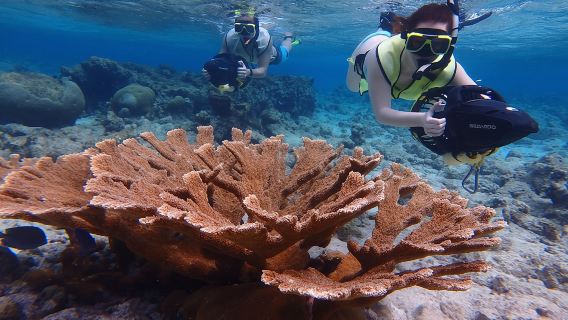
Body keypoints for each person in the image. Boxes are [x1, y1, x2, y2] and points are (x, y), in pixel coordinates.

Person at [357, 1, 477, 137]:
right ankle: (383, 28)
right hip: (367, 54)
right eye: (417, 42)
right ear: (406, 37)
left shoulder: (448, 68)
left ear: (449, 46)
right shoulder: (381, 57)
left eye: (438, 44)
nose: (426, 52)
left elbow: (480, 99)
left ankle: (390, 29)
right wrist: (422, 119)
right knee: (352, 86)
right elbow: (382, 113)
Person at [203, 13, 299, 84]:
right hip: (248, 57)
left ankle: (289, 37)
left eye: (248, 28)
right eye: (239, 28)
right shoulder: (229, 37)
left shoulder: (264, 39)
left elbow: (262, 71)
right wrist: (211, 70)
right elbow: (220, 61)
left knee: (284, 53)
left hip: (271, 57)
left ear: (256, 28)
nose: (244, 32)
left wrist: (248, 72)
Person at [346, 11, 404, 95]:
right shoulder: (386, 41)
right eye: (402, 25)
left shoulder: (373, 37)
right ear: (394, 25)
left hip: (354, 83)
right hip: (363, 82)